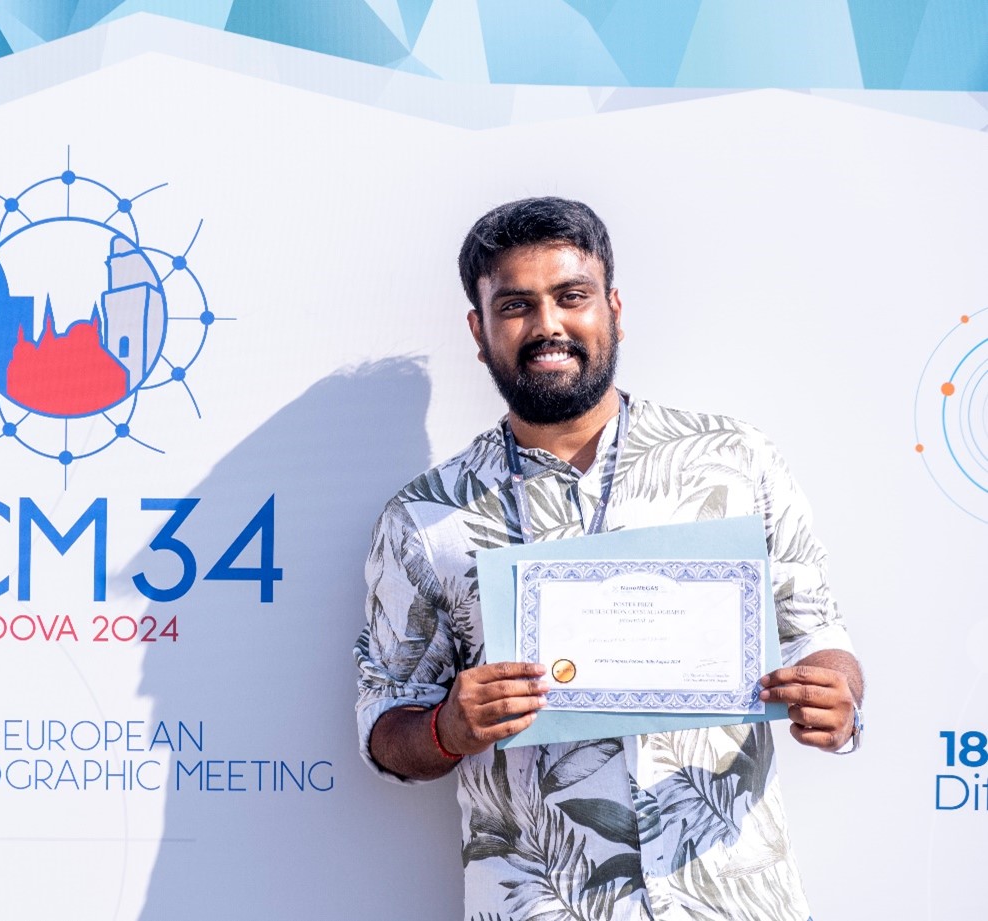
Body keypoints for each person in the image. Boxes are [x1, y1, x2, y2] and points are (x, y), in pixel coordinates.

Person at [354, 197, 863, 921]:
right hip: (543, 902)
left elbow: (817, 633)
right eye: (516, 305)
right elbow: (383, 724)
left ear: (613, 308)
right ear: (479, 330)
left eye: (572, 296)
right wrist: (446, 728)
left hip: (732, 898)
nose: (547, 325)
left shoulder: (734, 461)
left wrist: (836, 696)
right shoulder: (425, 518)